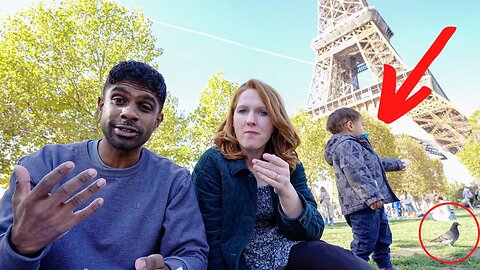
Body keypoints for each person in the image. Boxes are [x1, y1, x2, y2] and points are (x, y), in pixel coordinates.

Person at [0, 61, 208, 270]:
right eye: (118, 100)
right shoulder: (45, 163)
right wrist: (20, 246)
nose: (128, 113)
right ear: (101, 106)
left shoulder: (174, 181)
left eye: (144, 107)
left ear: (157, 121)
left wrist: (171, 268)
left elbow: (192, 256)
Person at [193, 79, 373, 270]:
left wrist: (287, 191)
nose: (250, 120)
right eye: (243, 110)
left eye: (263, 112)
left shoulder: (289, 162)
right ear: (233, 119)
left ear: (275, 122)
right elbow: (209, 238)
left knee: (342, 261)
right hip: (237, 260)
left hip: (286, 252)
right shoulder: (212, 163)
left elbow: (314, 230)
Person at [324, 107, 409, 270]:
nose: (363, 128)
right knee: (364, 244)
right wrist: (371, 196)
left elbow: (377, 163)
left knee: (383, 239)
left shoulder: (356, 145)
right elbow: (355, 172)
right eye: (361, 124)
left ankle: (385, 267)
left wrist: (399, 163)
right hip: (363, 204)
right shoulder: (347, 145)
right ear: (350, 125)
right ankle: (354, 267)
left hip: (371, 202)